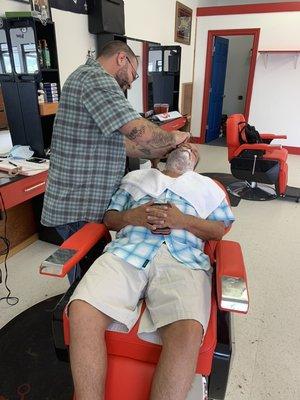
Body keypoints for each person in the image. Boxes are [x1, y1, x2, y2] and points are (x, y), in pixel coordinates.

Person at [68, 144, 235, 400]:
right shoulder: (135, 180)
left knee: (188, 329)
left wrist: (184, 221)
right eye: (180, 144)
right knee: (81, 309)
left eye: (192, 147)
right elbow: (111, 219)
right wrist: (132, 216)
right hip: (127, 252)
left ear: (196, 162)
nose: (186, 146)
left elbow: (218, 231)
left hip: (183, 258)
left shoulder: (207, 187)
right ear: (163, 155)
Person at [41, 40, 189, 283]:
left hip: (86, 199)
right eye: (133, 73)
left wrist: (156, 151)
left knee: (96, 266)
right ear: (122, 58)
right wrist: (172, 137)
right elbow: (137, 130)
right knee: (87, 279)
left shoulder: (90, 80)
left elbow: (125, 144)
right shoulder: (95, 79)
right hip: (78, 203)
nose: (131, 81)